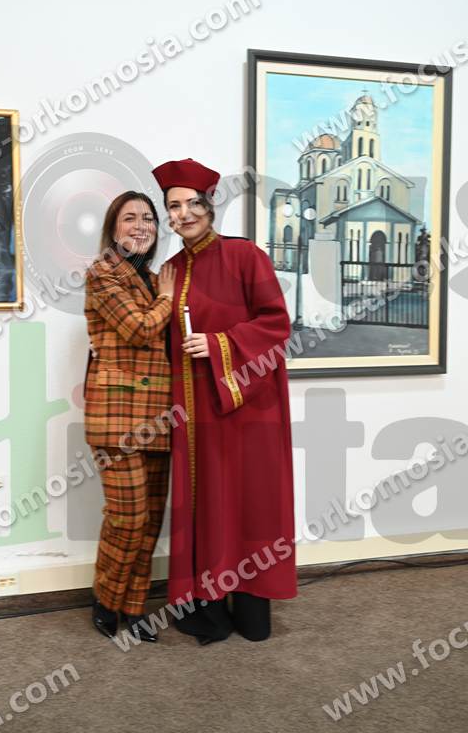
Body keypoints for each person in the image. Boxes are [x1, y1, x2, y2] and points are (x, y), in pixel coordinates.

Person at [152, 158, 297, 644]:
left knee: (250, 504)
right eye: (174, 206)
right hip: (194, 414)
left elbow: (276, 324)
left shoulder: (245, 256)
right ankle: (209, 605)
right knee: (206, 504)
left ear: (209, 205)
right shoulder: (170, 271)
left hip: (248, 406)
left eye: (192, 203)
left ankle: (252, 607)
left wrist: (217, 344)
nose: (183, 214)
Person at [83, 190, 176, 642]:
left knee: (151, 519)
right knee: (128, 518)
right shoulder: (102, 273)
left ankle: (134, 606)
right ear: (113, 228)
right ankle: (106, 599)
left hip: (159, 416)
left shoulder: (156, 279)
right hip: (117, 419)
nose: (141, 226)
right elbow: (138, 329)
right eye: (130, 218)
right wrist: (170, 300)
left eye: (149, 219)